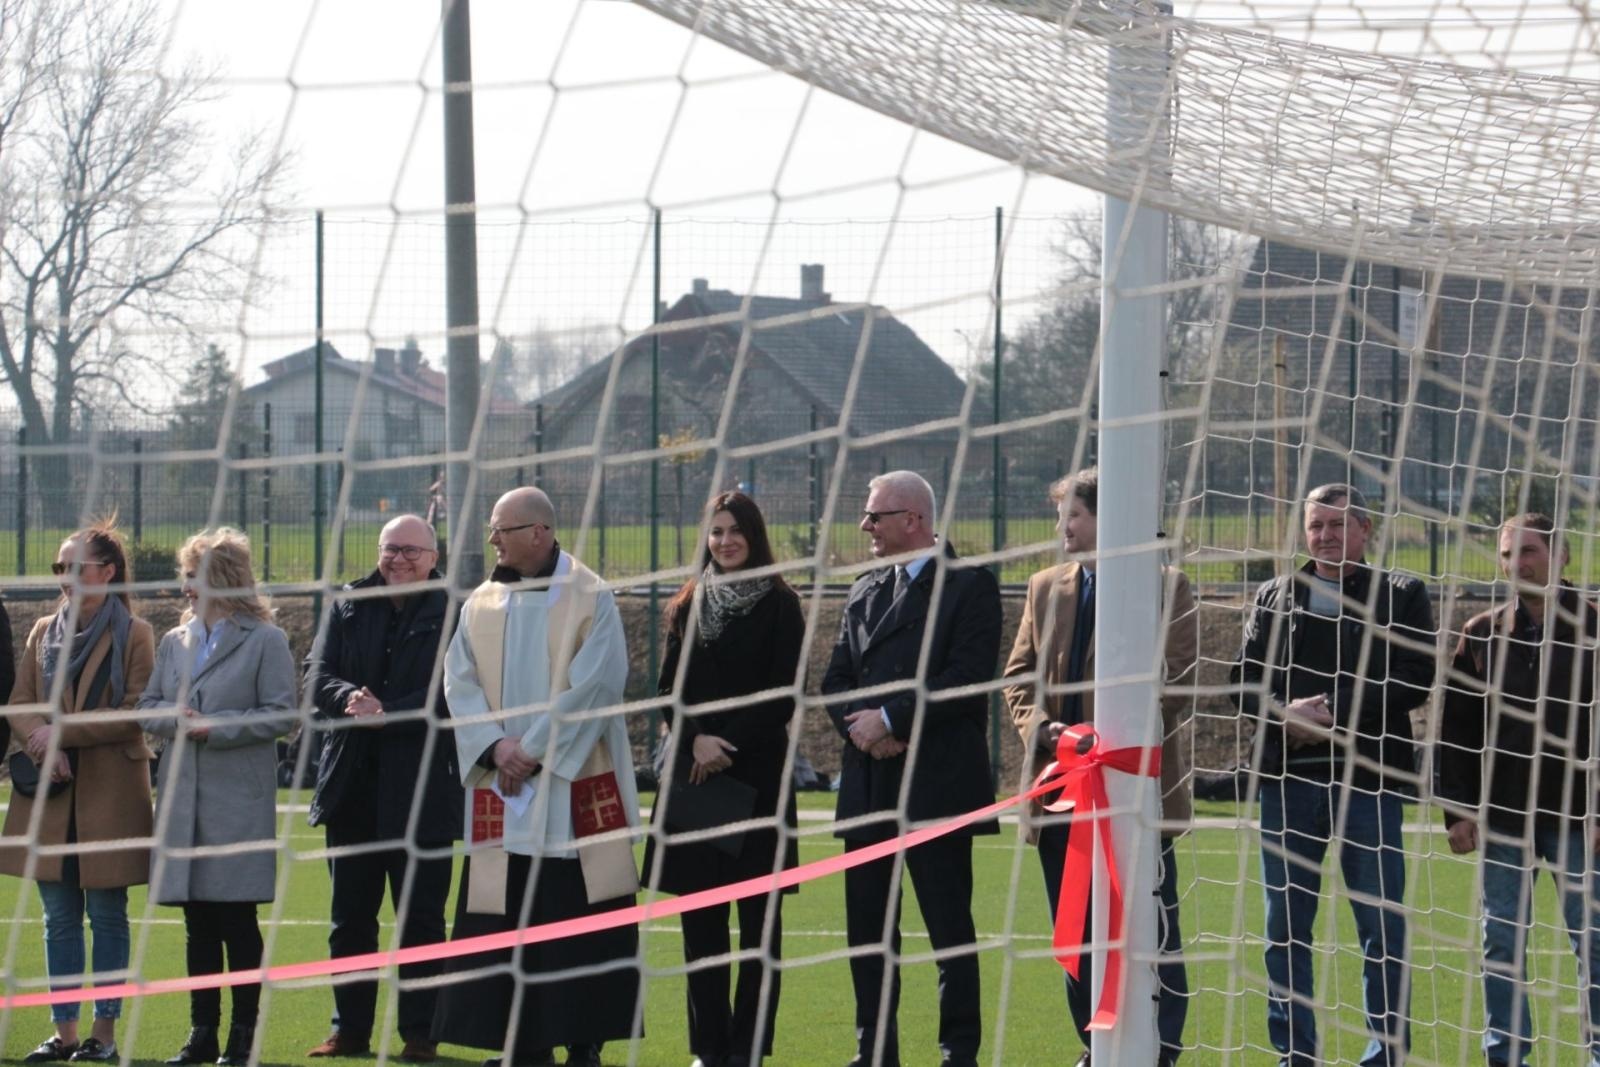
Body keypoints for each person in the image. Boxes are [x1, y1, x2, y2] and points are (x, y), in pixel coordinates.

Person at [431, 487, 641, 1067]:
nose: (493, 540)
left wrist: (535, 748)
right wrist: (497, 747)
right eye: (493, 529)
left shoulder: (589, 595)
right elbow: (458, 682)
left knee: (578, 912)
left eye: (502, 529)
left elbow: (599, 683)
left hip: (574, 783)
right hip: (505, 786)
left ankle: (583, 1041)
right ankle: (518, 1040)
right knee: (503, 910)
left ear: (540, 533)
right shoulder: (480, 602)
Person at [1230, 484, 1436, 1067]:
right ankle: (1295, 1055)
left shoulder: (1402, 593)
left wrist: (1336, 712)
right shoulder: (1275, 595)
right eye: (1316, 525)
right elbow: (1242, 679)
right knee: (1285, 931)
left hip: (1368, 784)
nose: (1325, 535)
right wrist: (1285, 715)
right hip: (1287, 787)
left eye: (1338, 524)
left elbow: (1419, 674)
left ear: (1366, 530)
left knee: (1381, 929)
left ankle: (1384, 1055)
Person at [1001, 468, 1196, 1067]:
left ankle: (1159, 1049)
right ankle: (1096, 1046)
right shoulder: (1043, 587)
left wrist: (1113, 730)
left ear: (1107, 519)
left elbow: (1181, 677)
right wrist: (1050, 731)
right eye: (1061, 519)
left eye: (1074, 517)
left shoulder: (1167, 585)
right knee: (1076, 931)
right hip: (1060, 791)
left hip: (1133, 793)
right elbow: (1018, 679)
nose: (1064, 531)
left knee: (1150, 929)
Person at [821, 470, 1001, 1067]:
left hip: (936, 785)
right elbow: (836, 681)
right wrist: (864, 728)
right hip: (869, 786)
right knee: (868, 933)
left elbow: (966, 678)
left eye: (875, 515)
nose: (864, 526)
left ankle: (959, 1054)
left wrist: (892, 720)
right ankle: (874, 1052)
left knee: (949, 930)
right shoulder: (864, 589)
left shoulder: (969, 586)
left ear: (914, 521)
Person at [641, 491, 805, 1067]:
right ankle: (708, 1052)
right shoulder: (687, 604)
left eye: (734, 530)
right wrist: (695, 741)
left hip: (757, 784)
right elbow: (667, 690)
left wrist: (724, 743)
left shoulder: (782, 604)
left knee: (760, 931)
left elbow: (783, 693)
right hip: (695, 781)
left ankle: (749, 1052)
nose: (724, 541)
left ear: (754, 535)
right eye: (715, 532)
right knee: (701, 929)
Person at [1437, 513, 1600, 1066]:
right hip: (1506, 817)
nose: (1517, 564)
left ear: (1562, 556)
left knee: (1594, 943)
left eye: (1528, 551)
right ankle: (1507, 1055)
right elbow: (1455, 727)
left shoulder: (1598, 628)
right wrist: (1456, 811)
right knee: (1501, 944)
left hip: (1582, 820)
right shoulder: (1481, 633)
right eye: (1508, 555)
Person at [303, 514, 462, 1063]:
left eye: (411, 551)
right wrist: (349, 698)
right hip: (352, 789)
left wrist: (386, 714)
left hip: (424, 792)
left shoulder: (454, 613)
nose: (398, 560)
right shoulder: (347, 603)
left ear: (433, 557)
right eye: (389, 550)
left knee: (421, 921)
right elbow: (315, 674)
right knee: (350, 921)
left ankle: (421, 1034)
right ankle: (349, 1031)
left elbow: (451, 694)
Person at [137, 528, 298, 1067]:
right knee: (197, 923)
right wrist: (174, 719)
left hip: (237, 802)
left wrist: (216, 725)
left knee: (236, 921)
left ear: (223, 580)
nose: (185, 586)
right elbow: (147, 704)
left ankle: (243, 1037)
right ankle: (201, 1033)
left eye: (193, 575)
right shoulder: (173, 641)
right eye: (185, 575)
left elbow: (282, 714)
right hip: (182, 800)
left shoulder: (265, 640)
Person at [0, 524, 155, 1064]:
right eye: (57, 568)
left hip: (111, 795)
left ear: (106, 572)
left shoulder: (136, 632)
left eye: (74, 567)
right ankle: (64, 1036)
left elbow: (137, 712)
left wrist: (61, 732)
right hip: (50, 793)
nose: (64, 578)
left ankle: (103, 1037)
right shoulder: (44, 629)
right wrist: (46, 746)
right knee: (58, 918)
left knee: (108, 915)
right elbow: (19, 702)